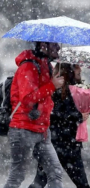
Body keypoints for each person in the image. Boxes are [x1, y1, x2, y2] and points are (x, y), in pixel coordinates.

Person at [4, 42, 65, 188]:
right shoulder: (29, 66)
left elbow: (46, 97)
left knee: (55, 173)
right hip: (23, 128)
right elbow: (27, 99)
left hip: (42, 130)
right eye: (55, 45)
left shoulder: (46, 65)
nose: (58, 48)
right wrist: (52, 85)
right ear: (43, 45)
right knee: (17, 176)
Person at [29, 63, 90, 188]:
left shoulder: (69, 90)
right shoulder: (63, 91)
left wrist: (84, 112)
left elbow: (58, 114)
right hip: (66, 145)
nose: (80, 77)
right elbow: (57, 114)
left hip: (55, 142)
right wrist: (78, 116)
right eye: (78, 74)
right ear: (70, 73)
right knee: (82, 183)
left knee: (40, 181)